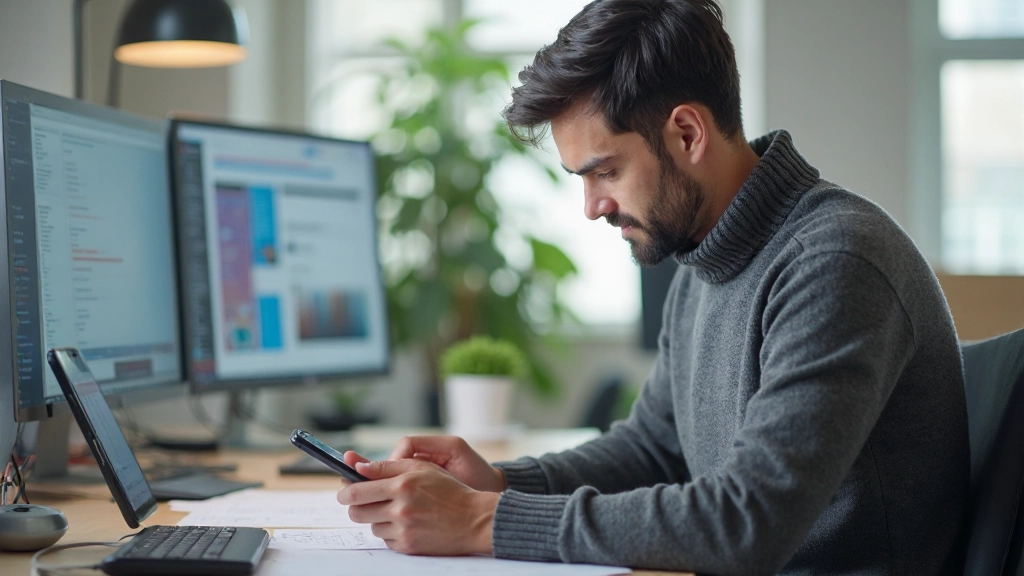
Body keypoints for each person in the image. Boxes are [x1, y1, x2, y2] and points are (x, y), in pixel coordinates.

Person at [337, 0, 970, 573]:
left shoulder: (836, 261)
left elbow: (747, 523)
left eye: (605, 171)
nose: (591, 207)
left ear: (688, 134)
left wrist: (480, 521)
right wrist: (500, 486)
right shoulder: (702, 256)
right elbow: (654, 449)